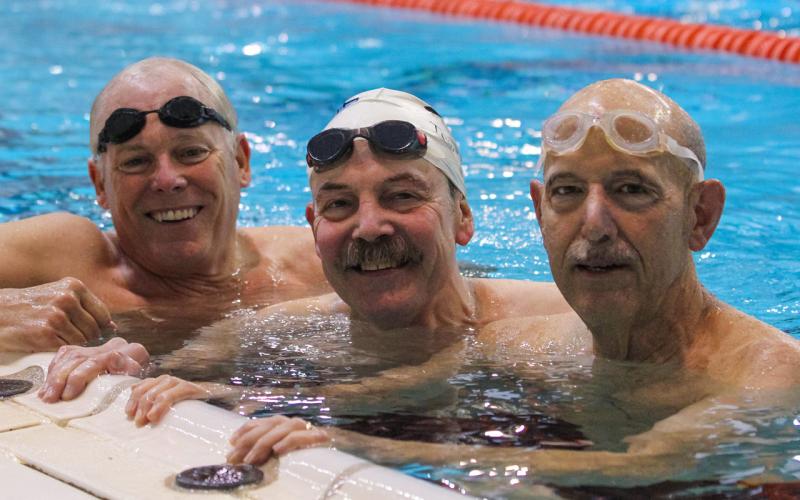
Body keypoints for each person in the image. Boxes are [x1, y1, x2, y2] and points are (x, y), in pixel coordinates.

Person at [176, 80, 800, 475]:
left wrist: (366, 448)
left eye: (632, 191)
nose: (595, 224)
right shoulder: (546, 340)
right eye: (566, 192)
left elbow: (633, 465)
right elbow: (402, 385)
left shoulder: (767, 368)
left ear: (701, 215)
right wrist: (239, 404)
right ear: (537, 210)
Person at [118, 88, 575, 462]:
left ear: (463, 217)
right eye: (340, 205)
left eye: (401, 196)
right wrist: (112, 362)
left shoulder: (555, 326)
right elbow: (151, 376)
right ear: (314, 229)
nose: (369, 226)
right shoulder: (274, 330)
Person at [0, 57, 329, 387]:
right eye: (136, 161)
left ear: (240, 161)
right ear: (100, 184)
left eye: (190, 153)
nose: (167, 179)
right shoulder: (69, 256)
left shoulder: (317, 266)